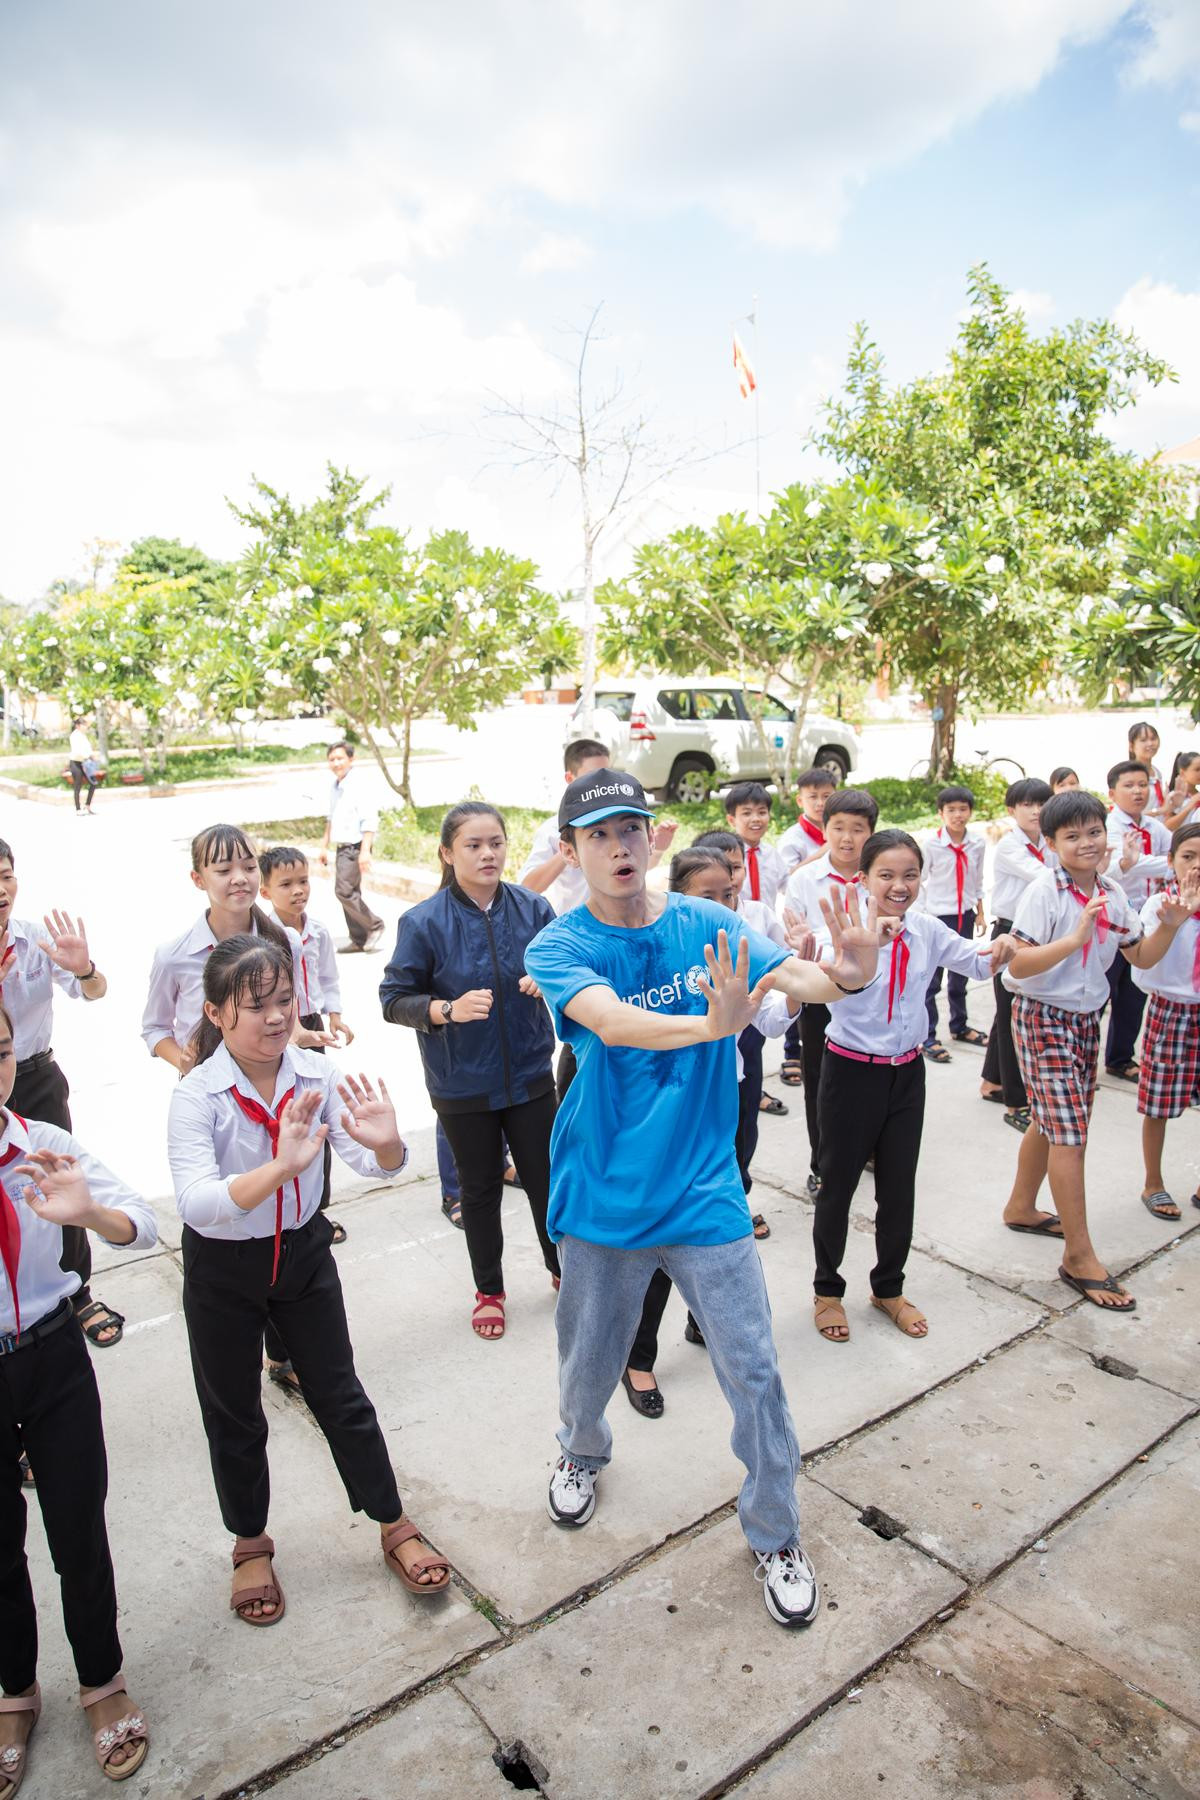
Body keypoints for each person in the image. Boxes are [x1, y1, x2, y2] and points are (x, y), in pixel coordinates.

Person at [525, 766, 882, 1629]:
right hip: (605, 1193)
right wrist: (711, 1028)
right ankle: (581, 1450)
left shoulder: (707, 922)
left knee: (753, 1369)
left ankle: (775, 1529)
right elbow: (612, 1022)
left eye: (630, 830)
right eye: (598, 835)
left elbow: (791, 977)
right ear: (573, 852)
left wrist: (849, 976)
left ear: (655, 838)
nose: (618, 847)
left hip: (703, 1192)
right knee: (589, 1362)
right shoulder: (560, 945)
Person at [168, 936, 450, 1617]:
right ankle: (251, 1544)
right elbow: (198, 1203)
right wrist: (280, 1171)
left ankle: (392, 1522)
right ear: (216, 1013)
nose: (274, 1017)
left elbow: (370, 1161)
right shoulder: (198, 1094)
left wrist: (386, 1141)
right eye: (255, 1005)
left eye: (285, 1001)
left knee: (341, 1395)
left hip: (302, 1257)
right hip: (223, 1270)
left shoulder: (314, 1077)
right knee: (234, 1413)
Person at [0, 1000, 153, 1787]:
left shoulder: (45, 1149)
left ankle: (102, 1679)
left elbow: (144, 1222)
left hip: (52, 1354)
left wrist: (88, 1212)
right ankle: (14, 1690)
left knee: (77, 1529)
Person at [810, 830, 1019, 1345]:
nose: (899, 885)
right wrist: (856, 948)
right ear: (863, 879)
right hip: (850, 1072)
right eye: (886, 875)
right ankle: (826, 1291)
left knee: (899, 1187)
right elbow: (822, 973)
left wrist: (1006, 946)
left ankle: (888, 1288)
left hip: (907, 1074)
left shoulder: (926, 929)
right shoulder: (843, 930)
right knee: (837, 1187)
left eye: (909, 875)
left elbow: (975, 960)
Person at [622, 845, 808, 1415]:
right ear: (678, 897)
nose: (725, 906)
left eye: (731, 895)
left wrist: (798, 980)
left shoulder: (745, 945)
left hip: (732, 1093)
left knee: (722, 1221)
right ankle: (638, 1357)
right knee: (664, 1237)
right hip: (673, 1104)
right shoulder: (658, 949)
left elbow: (774, 1019)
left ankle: (705, 1320)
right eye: (710, 897)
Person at [1000, 789, 1192, 1312]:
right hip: (1043, 1019)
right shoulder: (1045, 892)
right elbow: (1017, 967)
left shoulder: (1113, 890)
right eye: (1072, 836)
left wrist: (1171, 925)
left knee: (1053, 1120)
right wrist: (1077, 935)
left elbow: (1141, 956)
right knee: (1071, 1136)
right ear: (1052, 843)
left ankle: (1021, 1206)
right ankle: (1079, 1257)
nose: (1086, 843)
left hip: (1087, 1021)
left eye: (1093, 832)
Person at [379, 802, 560, 1340]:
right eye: (473, 845)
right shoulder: (424, 921)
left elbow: (572, 970)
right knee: (478, 1190)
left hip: (530, 1074)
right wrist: (445, 1010)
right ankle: (489, 1290)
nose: (487, 854)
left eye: (496, 843)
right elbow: (394, 998)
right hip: (461, 1083)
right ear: (447, 853)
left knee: (547, 1182)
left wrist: (548, 982)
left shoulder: (534, 909)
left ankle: (563, 1269)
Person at [0, 839, 122, 1352]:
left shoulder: (35, 941)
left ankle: (78, 1290)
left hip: (34, 1076)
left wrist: (84, 969)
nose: (0, 890)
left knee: (63, 1181)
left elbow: (95, 992)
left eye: (6, 876)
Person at [258, 845, 350, 1390]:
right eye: (285, 883)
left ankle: (316, 1209)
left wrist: (333, 1018)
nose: (297, 890)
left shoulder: (315, 930)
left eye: (302, 881)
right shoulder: (267, 938)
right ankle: (279, 1353)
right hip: (282, 1027)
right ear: (266, 890)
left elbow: (329, 979)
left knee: (323, 1128)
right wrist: (294, 1033)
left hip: (310, 1025)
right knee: (291, 1129)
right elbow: (275, 1000)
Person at [142, 824, 313, 1078]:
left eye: (250, 867)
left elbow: (291, 1011)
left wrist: (299, 1033)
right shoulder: (174, 956)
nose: (240, 878)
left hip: (277, 1086)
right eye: (223, 870)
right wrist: (183, 1062)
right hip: (209, 1091)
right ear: (198, 879)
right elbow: (155, 1028)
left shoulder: (286, 941)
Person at [781, 789, 879, 1196]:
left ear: (872, 833)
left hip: (872, 993)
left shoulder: (880, 877)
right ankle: (821, 1161)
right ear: (825, 830)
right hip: (821, 990)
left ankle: (867, 1148)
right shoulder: (805, 879)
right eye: (839, 828)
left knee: (871, 1075)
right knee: (820, 1080)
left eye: (858, 829)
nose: (847, 838)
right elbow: (795, 941)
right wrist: (816, 943)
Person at [693, 828, 789, 1115]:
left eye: (734, 868)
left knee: (746, 1094)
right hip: (703, 1034)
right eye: (718, 869)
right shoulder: (687, 924)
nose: (729, 877)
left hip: (752, 1022)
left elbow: (781, 963)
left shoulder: (758, 916)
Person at [980, 780, 1056, 1132]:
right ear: (1012, 810)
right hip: (1010, 934)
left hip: (1034, 933)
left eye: (1042, 803)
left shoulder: (1048, 843)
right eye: (1027, 804)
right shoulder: (1011, 846)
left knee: (1006, 1009)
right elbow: (1046, 877)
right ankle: (1016, 1101)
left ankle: (992, 1081)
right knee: (1012, 1015)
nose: (1036, 811)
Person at [1133, 823, 1200, 1220]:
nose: (1195, 866)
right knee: (1158, 1100)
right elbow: (1145, 967)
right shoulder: (1158, 904)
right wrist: (1173, 922)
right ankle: (1153, 1183)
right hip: (1171, 1009)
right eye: (1187, 856)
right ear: (1170, 862)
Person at [1104, 760, 1172, 1081]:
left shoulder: (1156, 829)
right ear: (1113, 792)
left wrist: (1142, 863)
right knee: (1101, 991)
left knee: (1134, 994)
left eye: (1143, 785)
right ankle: (1083, 1060)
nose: (1137, 791)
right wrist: (1157, 864)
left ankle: (1120, 1057)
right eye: (1129, 786)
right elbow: (1125, 866)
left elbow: (1175, 860)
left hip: (1144, 920)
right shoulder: (1110, 826)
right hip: (1113, 919)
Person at [919, 786, 987, 1064]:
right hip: (938, 917)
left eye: (963, 809)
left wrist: (980, 912)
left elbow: (977, 880)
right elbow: (919, 880)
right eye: (951, 810)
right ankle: (928, 1036)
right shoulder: (931, 845)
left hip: (965, 916)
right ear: (941, 813)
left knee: (961, 977)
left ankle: (959, 1026)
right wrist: (923, 917)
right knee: (932, 981)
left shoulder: (978, 843)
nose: (958, 815)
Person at [319, 743, 384, 954]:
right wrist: (324, 845)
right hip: (342, 846)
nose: (336, 763)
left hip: (356, 846)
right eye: (332, 759)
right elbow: (331, 817)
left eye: (340, 758)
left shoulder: (358, 785)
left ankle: (374, 925)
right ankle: (358, 939)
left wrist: (365, 851)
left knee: (344, 891)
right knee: (349, 891)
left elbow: (369, 820)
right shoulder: (335, 786)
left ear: (351, 759)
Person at [725, 781, 787, 912]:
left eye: (762, 812)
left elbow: (788, 886)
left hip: (767, 926)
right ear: (732, 820)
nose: (756, 819)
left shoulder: (772, 854)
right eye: (747, 813)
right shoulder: (724, 855)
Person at [778, 768, 835, 876]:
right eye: (813, 797)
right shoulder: (791, 839)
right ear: (800, 801)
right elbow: (786, 880)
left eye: (826, 796)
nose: (820, 803)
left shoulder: (845, 831)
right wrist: (822, 853)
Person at [1126, 720, 1166, 811]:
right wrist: (1160, 811)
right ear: (1132, 746)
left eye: (1153, 739)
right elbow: (1130, 813)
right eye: (1143, 740)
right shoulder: (1128, 774)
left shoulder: (1156, 772)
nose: (1150, 744)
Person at [1160, 749, 1200, 833]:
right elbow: (1167, 825)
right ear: (1182, 772)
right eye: (1197, 770)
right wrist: (1190, 806)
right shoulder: (1174, 796)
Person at [67, 717, 97, 816]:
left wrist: (91, 756)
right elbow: (78, 751)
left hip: (84, 763)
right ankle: (78, 808)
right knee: (77, 785)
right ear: (78, 726)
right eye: (84, 725)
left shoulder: (83, 736)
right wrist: (88, 756)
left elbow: (87, 749)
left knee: (93, 783)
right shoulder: (74, 736)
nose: (85, 727)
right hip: (75, 763)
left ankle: (87, 805)